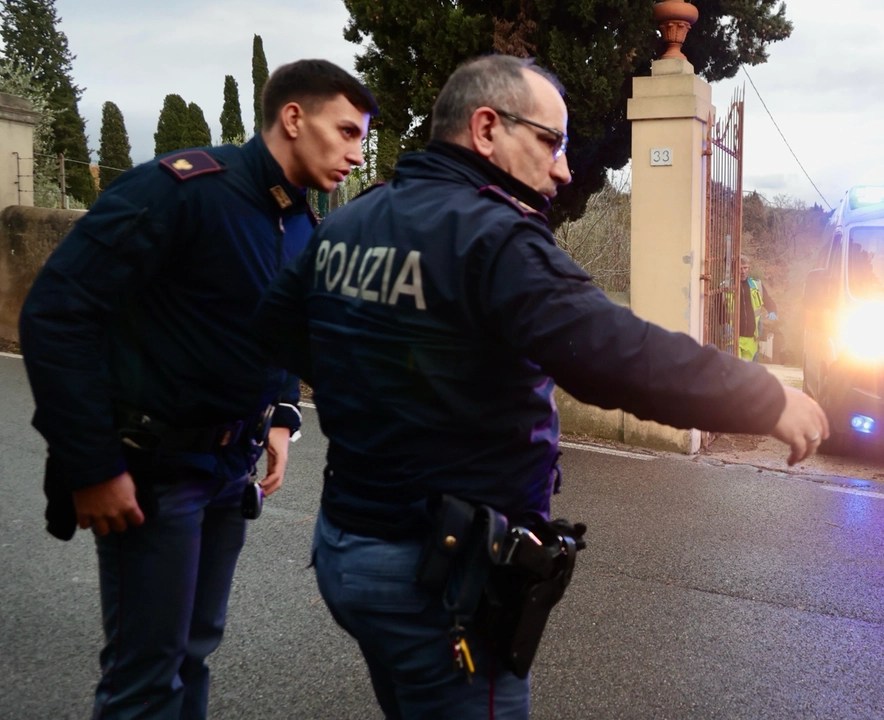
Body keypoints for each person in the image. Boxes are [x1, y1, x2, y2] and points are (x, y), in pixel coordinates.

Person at [252, 55, 829, 719]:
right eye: (550, 143)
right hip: (436, 577)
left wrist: (385, 390)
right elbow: (614, 354)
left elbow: (281, 327)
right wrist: (767, 397)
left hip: (347, 549)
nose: (562, 170)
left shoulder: (353, 221)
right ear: (487, 128)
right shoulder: (494, 239)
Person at [18, 60, 376, 720]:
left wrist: (281, 414)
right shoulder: (181, 190)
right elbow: (56, 314)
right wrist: (90, 464)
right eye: (347, 132)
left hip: (227, 470)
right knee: (146, 674)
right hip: (154, 471)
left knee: (192, 655)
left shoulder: (300, 221)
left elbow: (270, 329)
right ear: (294, 118)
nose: (357, 154)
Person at [737, 255, 778, 361]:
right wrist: (723, 324)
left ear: (749, 268)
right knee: (734, 372)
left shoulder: (757, 285)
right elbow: (718, 309)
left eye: (745, 268)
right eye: (740, 268)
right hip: (733, 338)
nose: (742, 271)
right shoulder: (726, 286)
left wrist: (772, 311)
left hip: (751, 338)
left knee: (747, 374)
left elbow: (768, 301)